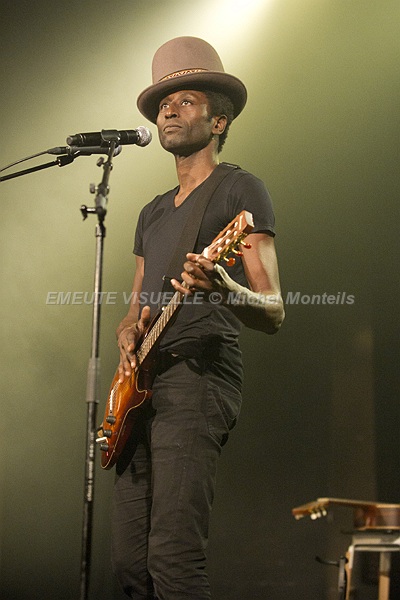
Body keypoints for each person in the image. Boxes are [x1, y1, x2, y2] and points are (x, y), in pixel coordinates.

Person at [111, 36, 285, 600]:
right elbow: (136, 305)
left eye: (186, 101)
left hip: (199, 374)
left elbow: (274, 310)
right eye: (164, 103)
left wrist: (225, 287)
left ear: (219, 121)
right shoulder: (151, 212)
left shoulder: (240, 188)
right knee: (130, 564)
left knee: (173, 555)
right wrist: (128, 331)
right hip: (142, 385)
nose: (168, 110)